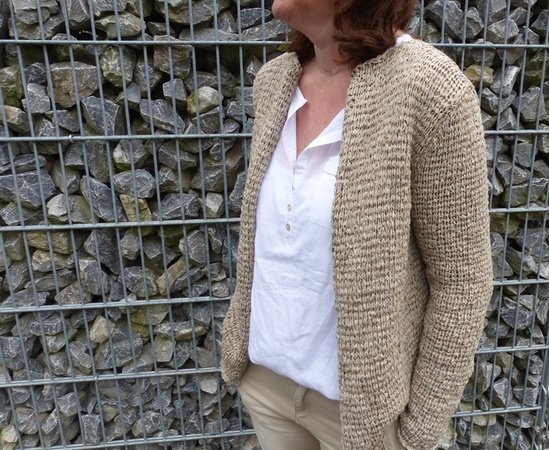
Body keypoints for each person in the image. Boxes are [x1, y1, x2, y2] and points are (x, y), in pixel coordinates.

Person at [220, 0, 494, 448]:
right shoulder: (275, 80)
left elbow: (462, 279)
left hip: (362, 420)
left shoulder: (431, 89)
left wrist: (420, 428)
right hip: (267, 385)